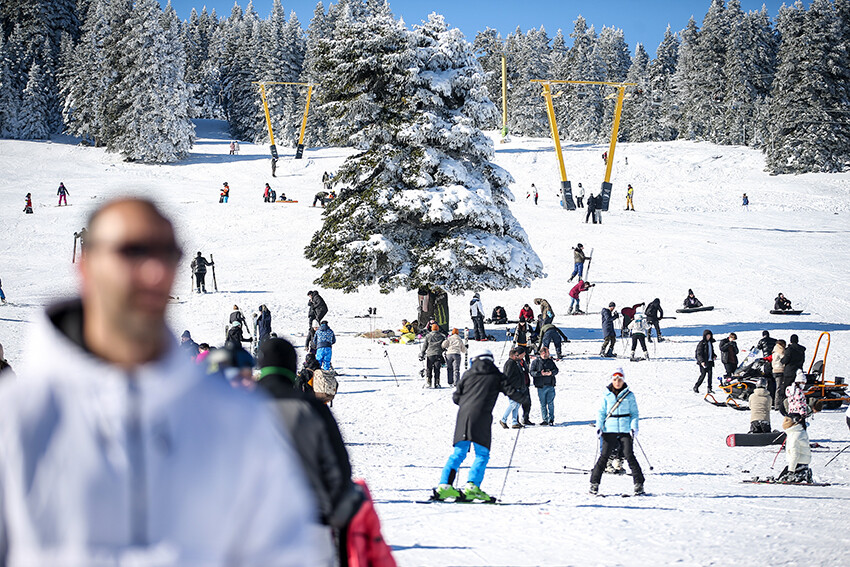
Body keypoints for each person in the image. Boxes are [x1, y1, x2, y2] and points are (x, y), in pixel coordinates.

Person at [0, 197, 319, 563]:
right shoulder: (16, 418)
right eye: (132, 251)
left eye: (168, 253)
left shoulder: (233, 418)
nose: (155, 271)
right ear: (86, 266)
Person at [256, 338, 365, 562]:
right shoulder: (312, 408)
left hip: (251, 527)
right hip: (310, 522)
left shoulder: (238, 405)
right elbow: (338, 467)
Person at [433, 350, 525, 501]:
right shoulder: (496, 375)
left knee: (458, 453)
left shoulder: (468, 374)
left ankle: (444, 486)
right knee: (482, 454)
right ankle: (472, 486)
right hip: (482, 417)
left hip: (463, 417)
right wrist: (524, 399)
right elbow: (511, 393)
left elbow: (456, 397)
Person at [590, 368, 645, 496]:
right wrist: (599, 426)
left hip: (625, 430)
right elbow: (601, 412)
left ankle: (639, 483)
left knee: (629, 455)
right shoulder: (606, 395)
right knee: (604, 456)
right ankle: (594, 483)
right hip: (609, 429)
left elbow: (634, 413)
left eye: (619, 379)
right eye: (615, 379)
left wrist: (634, 427)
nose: (617, 382)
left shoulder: (629, 395)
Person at [500, 348, 529, 429]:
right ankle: (503, 419)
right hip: (512, 387)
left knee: (516, 405)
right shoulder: (510, 363)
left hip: (518, 386)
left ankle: (514, 422)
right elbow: (507, 376)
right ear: (513, 355)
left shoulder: (516, 363)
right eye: (517, 355)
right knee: (513, 404)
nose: (518, 356)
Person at [778, 334, 806, 414]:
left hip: (789, 372)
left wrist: (782, 360)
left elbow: (786, 360)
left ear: (790, 340)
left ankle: (784, 405)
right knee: (797, 390)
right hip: (799, 372)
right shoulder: (801, 350)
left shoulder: (789, 349)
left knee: (786, 389)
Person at [530, 347, 558, 425]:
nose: (548, 354)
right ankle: (545, 419)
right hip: (541, 386)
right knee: (543, 404)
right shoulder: (536, 362)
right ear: (542, 353)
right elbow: (532, 372)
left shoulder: (550, 361)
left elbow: (556, 370)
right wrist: (540, 374)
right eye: (547, 353)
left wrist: (551, 373)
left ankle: (551, 419)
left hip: (550, 385)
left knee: (550, 403)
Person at [420, 323, 447, 388]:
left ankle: (428, 382)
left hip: (430, 355)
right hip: (438, 354)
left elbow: (425, 346)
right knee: (437, 369)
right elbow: (443, 346)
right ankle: (437, 383)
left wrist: (422, 353)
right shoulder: (442, 336)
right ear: (438, 329)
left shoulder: (428, 336)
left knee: (429, 369)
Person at [694, 329, 717, 394]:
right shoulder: (702, 343)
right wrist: (701, 361)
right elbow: (699, 353)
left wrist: (714, 355)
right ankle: (696, 386)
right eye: (707, 335)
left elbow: (711, 351)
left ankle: (709, 388)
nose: (708, 337)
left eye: (709, 335)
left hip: (710, 361)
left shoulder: (710, 343)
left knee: (710, 375)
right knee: (703, 375)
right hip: (703, 362)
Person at [757, 331, 778, 399]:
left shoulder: (762, 341)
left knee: (768, 377)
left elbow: (758, 348)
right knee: (773, 377)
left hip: (766, 360)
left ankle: (769, 391)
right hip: (774, 360)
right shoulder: (774, 340)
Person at [771, 339, 787, 407]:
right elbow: (784, 359)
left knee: (778, 388)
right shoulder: (781, 350)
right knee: (779, 388)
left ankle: (777, 403)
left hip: (775, 370)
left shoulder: (775, 350)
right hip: (780, 370)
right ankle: (777, 404)